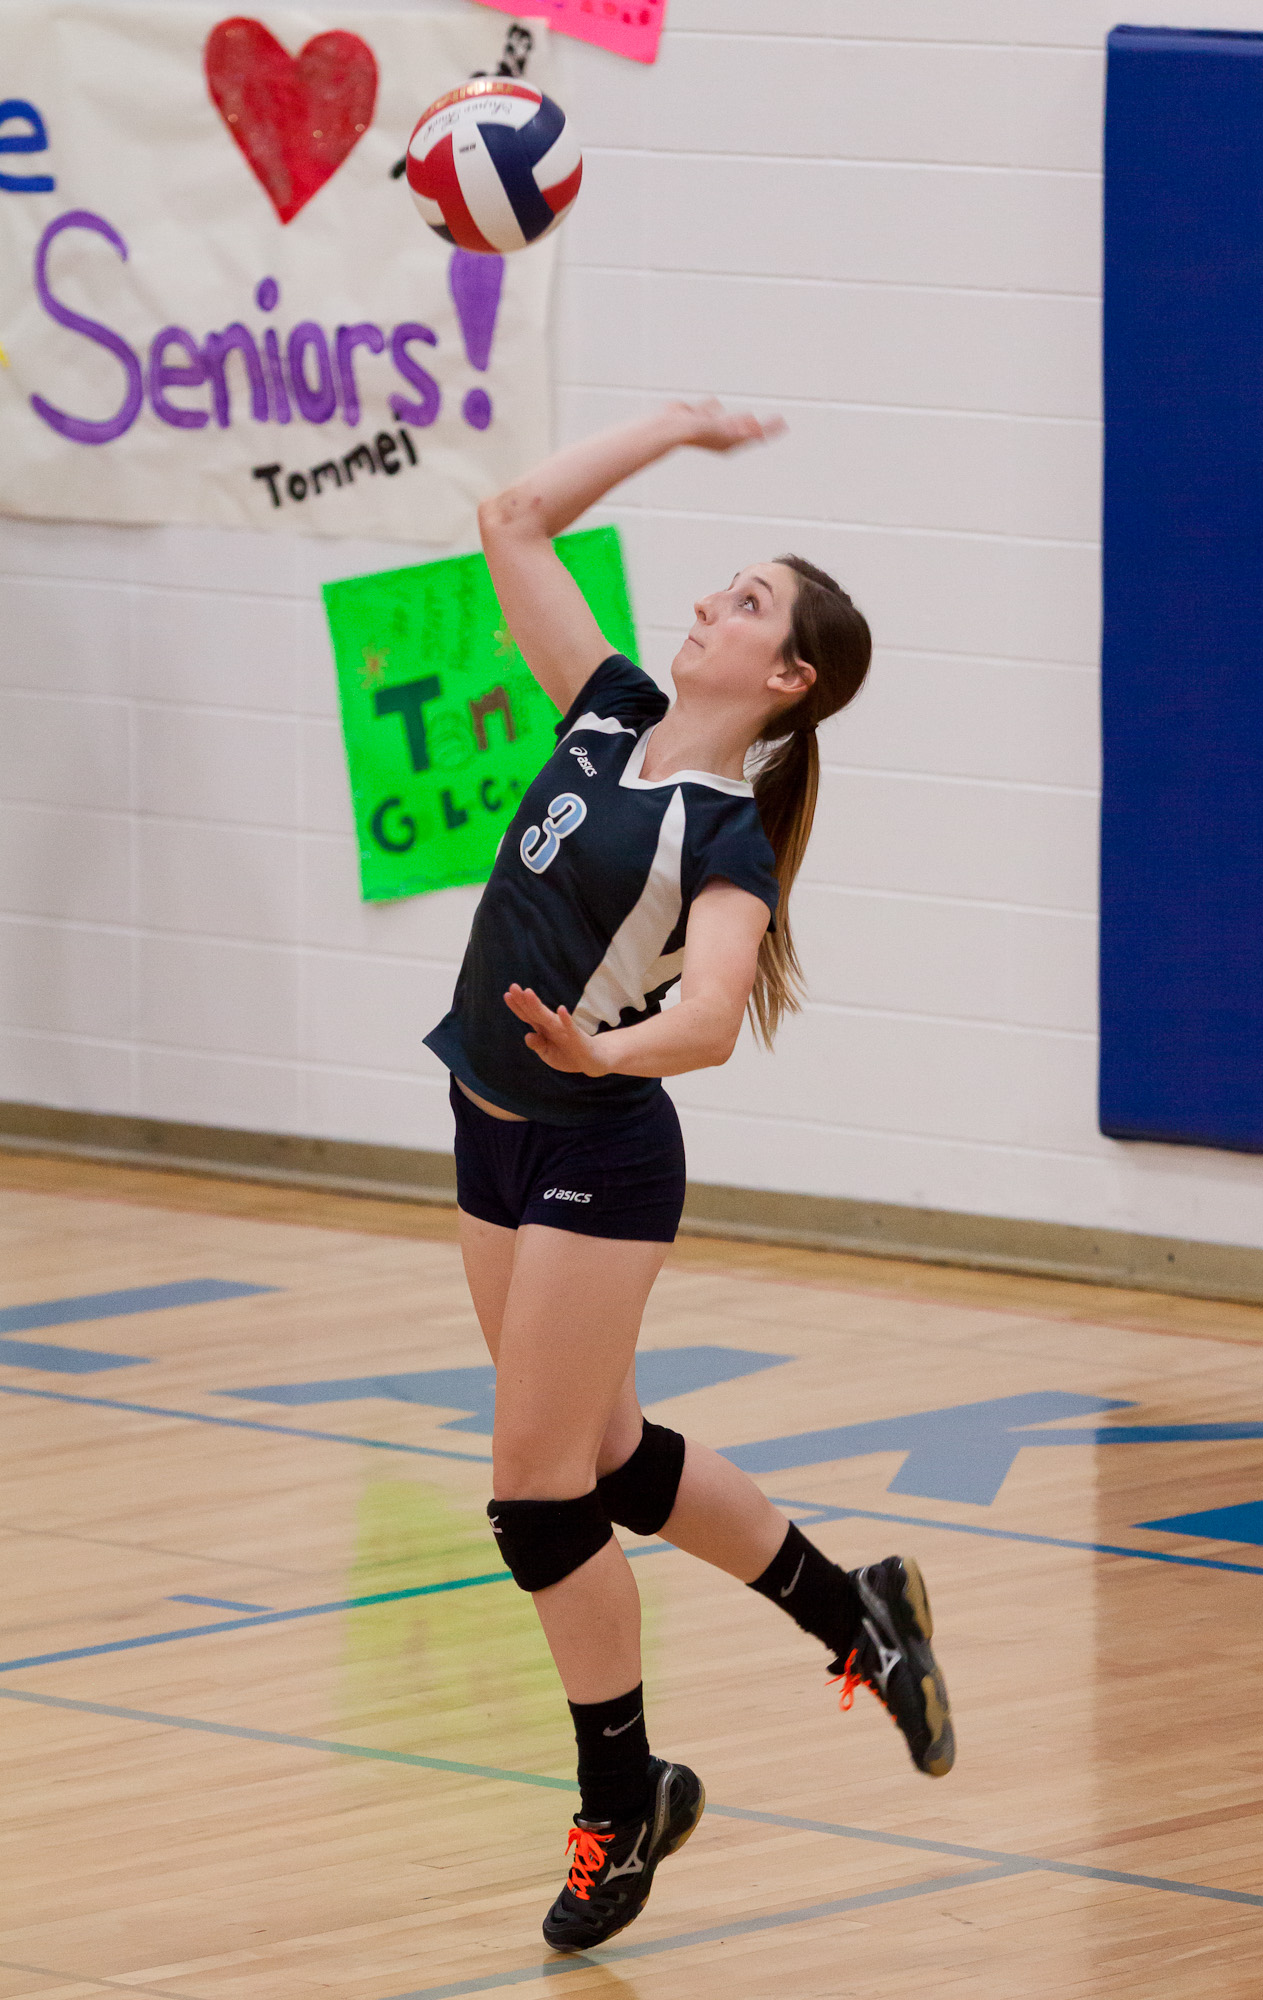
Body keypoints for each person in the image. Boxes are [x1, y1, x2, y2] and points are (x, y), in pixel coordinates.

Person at [424, 401, 954, 1955]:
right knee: (603, 1458)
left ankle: (623, 1800)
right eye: (723, 587)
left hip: (596, 1150)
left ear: (785, 678)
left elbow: (713, 1014)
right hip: (486, 1124)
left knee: (535, 1500)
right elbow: (512, 518)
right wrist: (674, 427)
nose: (709, 604)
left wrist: (605, 1053)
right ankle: (851, 1610)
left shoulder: (719, 836)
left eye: (746, 603)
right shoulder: (608, 711)